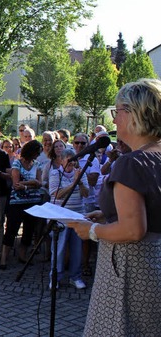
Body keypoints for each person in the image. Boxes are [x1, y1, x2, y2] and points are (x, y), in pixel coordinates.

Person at [68, 79, 161, 336]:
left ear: (134, 114)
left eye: (117, 111)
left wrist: (93, 230)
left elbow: (133, 230)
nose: (114, 120)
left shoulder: (132, 162)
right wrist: (110, 215)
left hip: (131, 269)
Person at [48, 148, 89, 290]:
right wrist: (73, 184)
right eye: (69, 162)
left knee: (77, 249)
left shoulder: (81, 173)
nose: (72, 165)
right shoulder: (54, 173)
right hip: (60, 217)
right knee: (59, 249)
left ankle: (75, 277)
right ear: (61, 161)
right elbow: (56, 194)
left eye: (74, 162)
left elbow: (86, 193)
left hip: (78, 216)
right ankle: (55, 277)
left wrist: (80, 183)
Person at [0, 140, 43, 269]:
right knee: (11, 230)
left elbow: (40, 183)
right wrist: (32, 182)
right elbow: (16, 184)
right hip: (17, 203)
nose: (38, 155)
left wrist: (27, 184)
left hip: (33, 202)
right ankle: (3, 259)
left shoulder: (37, 164)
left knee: (28, 231)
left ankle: (22, 255)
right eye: (37, 152)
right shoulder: (17, 163)